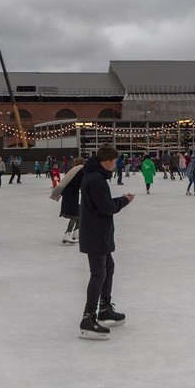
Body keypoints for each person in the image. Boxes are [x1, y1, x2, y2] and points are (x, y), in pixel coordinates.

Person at [78, 144, 134, 340]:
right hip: (95, 234)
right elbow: (106, 207)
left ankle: (105, 308)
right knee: (98, 273)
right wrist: (124, 200)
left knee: (108, 268)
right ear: (107, 161)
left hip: (98, 233)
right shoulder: (95, 179)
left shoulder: (95, 177)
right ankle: (88, 317)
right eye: (115, 161)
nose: (116, 164)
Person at [51, 158, 85, 245]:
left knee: (79, 211)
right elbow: (82, 183)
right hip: (71, 195)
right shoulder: (81, 170)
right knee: (74, 214)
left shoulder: (73, 171)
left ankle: (76, 232)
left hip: (69, 194)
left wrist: (60, 194)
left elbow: (65, 183)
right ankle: (68, 234)